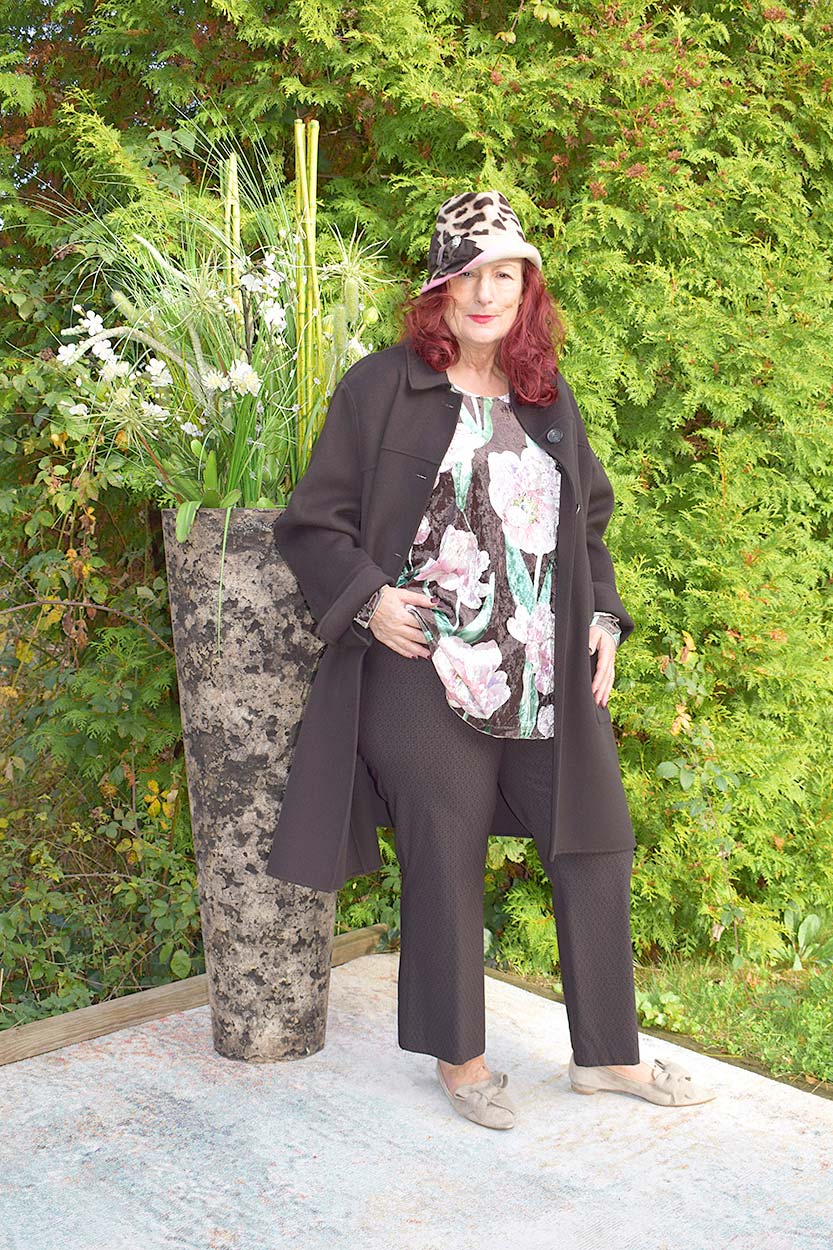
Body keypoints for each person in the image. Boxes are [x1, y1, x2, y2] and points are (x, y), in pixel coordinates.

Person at [268, 190, 716, 1128]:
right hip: (422, 659)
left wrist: (605, 620)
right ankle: (461, 1057)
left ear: (525, 289)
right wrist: (370, 601)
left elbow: (585, 524)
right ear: (439, 288)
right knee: (446, 832)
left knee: (596, 838)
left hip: (540, 665)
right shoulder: (381, 386)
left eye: (503, 275)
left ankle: (606, 1056)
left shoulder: (546, 398)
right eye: (468, 275)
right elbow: (313, 523)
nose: (485, 294)